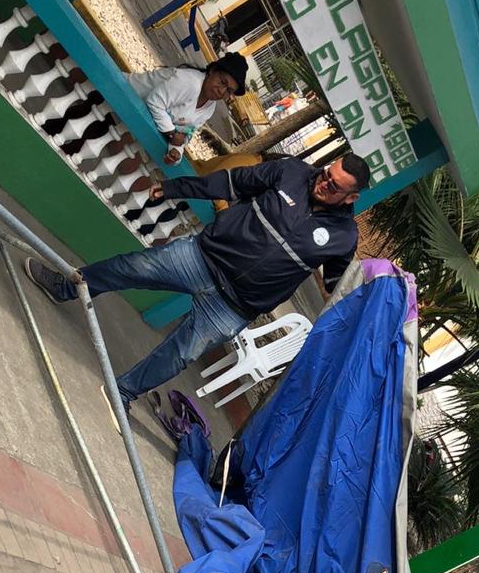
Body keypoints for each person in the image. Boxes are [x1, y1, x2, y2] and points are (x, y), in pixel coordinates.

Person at [23, 153, 369, 419]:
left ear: (350, 198)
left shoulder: (343, 237)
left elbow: (336, 286)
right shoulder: (291, 172)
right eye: (326, 174)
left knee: (179, 354)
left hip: (234, 307)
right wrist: (176, 188)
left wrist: (366, 296)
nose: (323, 183)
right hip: (200, 260)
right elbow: (232, 183)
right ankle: (64, 287)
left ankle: (123, 392)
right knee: (129, 268)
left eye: (334, 186)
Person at [127, 54, 248, 163]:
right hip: (124, 92)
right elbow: (154, 102)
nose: (222, 91)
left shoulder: (210, 107)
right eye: (223, 82)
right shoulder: (190, 82)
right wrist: (172, 134)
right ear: (213, 70)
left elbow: (186, 133)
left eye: (229, 91)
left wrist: (176, 151)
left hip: (134, 114)